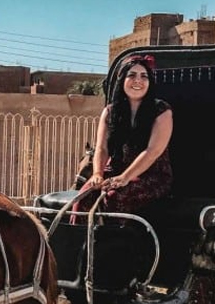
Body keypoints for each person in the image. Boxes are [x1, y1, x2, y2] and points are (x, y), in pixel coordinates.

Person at [72, 54, 173, 220]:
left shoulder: (162, 111)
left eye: (144, 76)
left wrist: (125, 178)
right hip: (115, 170)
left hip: (151, 175)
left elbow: (152, 151)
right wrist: (97, 173)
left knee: (113, 197)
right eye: (131, 75)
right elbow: (102, 147)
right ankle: (81, 244)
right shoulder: (110, 112)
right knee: (83, 198)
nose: (138, 81)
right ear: (122, 80)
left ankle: (112, 244)